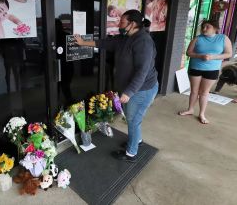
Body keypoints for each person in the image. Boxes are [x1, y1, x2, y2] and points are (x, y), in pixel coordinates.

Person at [74, 9, 158, 162]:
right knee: (133, 118)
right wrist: (83, 42)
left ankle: (131, 154)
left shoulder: (143, 41)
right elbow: (105, 43)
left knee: (133, 120)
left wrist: (129, 92)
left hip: (142, 90)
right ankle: (136, 141)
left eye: (122, 22)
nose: (119, 24)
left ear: (132, 24)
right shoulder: (125, 38)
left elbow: (142, 71)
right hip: (132, 89)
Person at [178, 19, 232, 124]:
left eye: (207, 27)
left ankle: (202, 113)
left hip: (212, 70)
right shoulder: (197, 39)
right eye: (203, 26)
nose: (204, 29)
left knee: (204, 92)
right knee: (194, 91)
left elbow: (229, 53)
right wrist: (200, 56)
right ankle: (190, 109)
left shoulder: (223, 38)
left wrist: (213, 57)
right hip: (195, 68)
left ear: (215, 28)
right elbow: (189, 52)